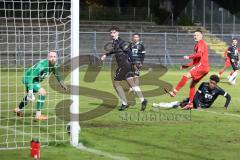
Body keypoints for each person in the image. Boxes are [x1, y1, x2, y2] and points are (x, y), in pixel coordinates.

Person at [101, 26, 147, 111]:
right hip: (125, 65)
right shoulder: (115, 42)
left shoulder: (121, 42)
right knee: (132, 84)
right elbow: (114, 50)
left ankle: (124, 103)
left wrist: (133, 64)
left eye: (114, 32)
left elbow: (129, 52)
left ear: (118, 33)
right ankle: (143, 100)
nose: (112, 34)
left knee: (116, 84)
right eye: (111, 32)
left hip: (124, 65)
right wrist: (106, 54)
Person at [14, 51, 67, 120]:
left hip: (34, 80)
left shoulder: (53, 65)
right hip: (29, 79)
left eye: (54, 57)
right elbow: (31, 77)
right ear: (47, 58)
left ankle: (18, 109)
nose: (53, 58)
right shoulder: (42, 65)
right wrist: (30, 90)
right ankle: (38, 115)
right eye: (51, 57)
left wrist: (62, 83)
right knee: (43, 93)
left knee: (29, 98)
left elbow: (57, 74)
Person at [165, 30, 210, 109]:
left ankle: (174, 92)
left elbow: (199, 55)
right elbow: (195, 61)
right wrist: (186, 66)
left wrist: (188, 57)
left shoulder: (201, 43)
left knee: (186, 76)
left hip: (202, 66)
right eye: (194, 35)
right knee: (192, 85)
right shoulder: (197, 45)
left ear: (201, 36)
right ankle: (190, 104)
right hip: (205, 68)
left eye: (197, 35)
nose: (195, 36)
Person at [154, 75, 231, 109]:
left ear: (216, 84)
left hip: (204, 105)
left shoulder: (218, 90)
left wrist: (226, 106)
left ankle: (159, 105)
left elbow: (228, 97)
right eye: (210, 82)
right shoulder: (204, 85)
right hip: (196, 100)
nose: (211, 84)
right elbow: (196, 95)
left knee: (180, 105)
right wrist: (198, 106)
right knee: (182, 102)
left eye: (213, 83)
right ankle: (161, 104)